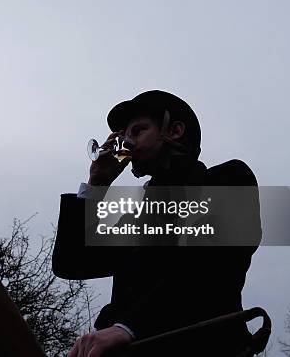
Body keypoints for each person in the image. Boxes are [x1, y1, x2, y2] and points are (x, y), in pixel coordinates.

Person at [52, 90, 261, 357]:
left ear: (174, 131)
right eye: (124, 135)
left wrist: (128, 328)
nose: (126, 142)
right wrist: (97, 185)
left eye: (138, 131)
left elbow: (209, 266)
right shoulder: (137, 216)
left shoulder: (228, 179)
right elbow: (72, 262)